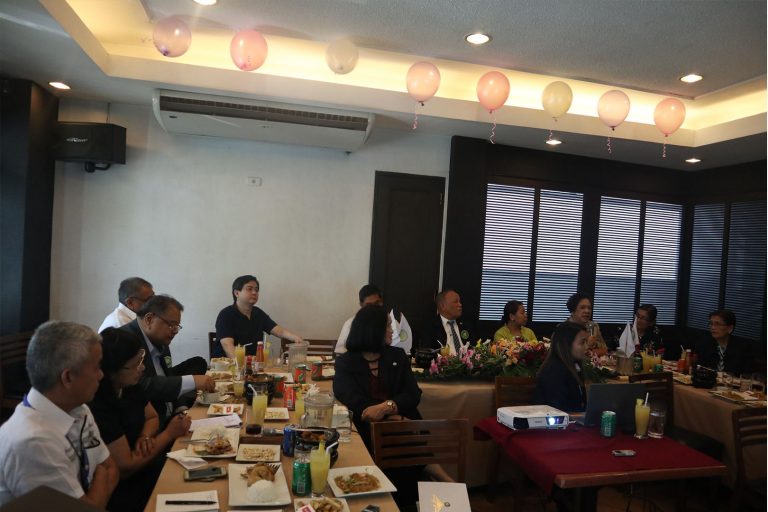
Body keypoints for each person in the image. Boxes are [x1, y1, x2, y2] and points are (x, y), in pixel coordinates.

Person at [334, 305, 449, 510]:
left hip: (404, 424)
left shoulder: (397, 355)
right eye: (387, 326)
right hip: (369, 428)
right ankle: (436, 476)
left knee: (405, 440)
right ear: (373, 330)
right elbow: (354, 401)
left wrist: (389, 407)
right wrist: (393, 418)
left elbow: (413, 394)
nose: (392, 331)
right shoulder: (346, 362)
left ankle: (417, 493)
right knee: (404, 441)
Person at [0, 321, 119, 508]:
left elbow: (112, 469)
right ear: (68, 377)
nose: (101, 375)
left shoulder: (78, 409)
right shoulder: (33, 441)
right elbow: (104, 472)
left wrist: (100, 483)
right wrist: (101, 474)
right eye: (96, 367)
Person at [89, 327, 192, 511]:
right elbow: (126, 466)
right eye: (136, 364)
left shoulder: (129, 385)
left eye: (141, 360)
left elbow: (152, 417)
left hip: (146, 461)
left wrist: (144, 437)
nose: (142, 368)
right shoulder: (99, 404)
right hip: (125, 488)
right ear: (112, 370)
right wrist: (168, 434)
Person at [120, 295, 214, 426]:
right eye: (171, 325)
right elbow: (142, 385)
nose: (175, 331)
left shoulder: (159, 339)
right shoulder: (126, 340)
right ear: (149, 319)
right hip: (149, 424)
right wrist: (193, 381)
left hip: (171, 416)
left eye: (177, 326)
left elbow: (168, 376)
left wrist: (182, 410)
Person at [213, 275, 304, 358]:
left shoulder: (258, 313)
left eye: (256, 290)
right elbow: (227, 345)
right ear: (237, 293)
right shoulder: (226, 314)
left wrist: (296, 338)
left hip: (254, 365)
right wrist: (241, 365)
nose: (254, 292)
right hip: (229, 366)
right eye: (249, 289)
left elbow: (279, 331)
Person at [334, 284, 413, 355]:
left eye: (376, 303)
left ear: (381, 302)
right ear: (361, 305)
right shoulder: (351, 323)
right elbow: (340, 351)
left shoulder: (391, 322)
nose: (373, 308)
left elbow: (402, 348)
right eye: (369, 305)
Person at [534, 322, 588, 413]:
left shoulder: (573, 366)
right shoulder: (554, 370)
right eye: (582, 342)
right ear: (566, 344)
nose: (586, 346)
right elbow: (558, 409)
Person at [693, 309, 753, 374]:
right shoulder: (704, 344)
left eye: (717, 324)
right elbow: (699, 368)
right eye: (711, 323)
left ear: (730, 328)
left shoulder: (742, 348)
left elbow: (746, 374)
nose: (713, 327)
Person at [420, 289, 474, 354]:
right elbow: (428, 352)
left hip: (467, 359)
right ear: (443, 306)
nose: (460, 304)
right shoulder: (430, 327)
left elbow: (474, 347)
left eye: (459, 301)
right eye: (455, 302)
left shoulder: (466, 324)